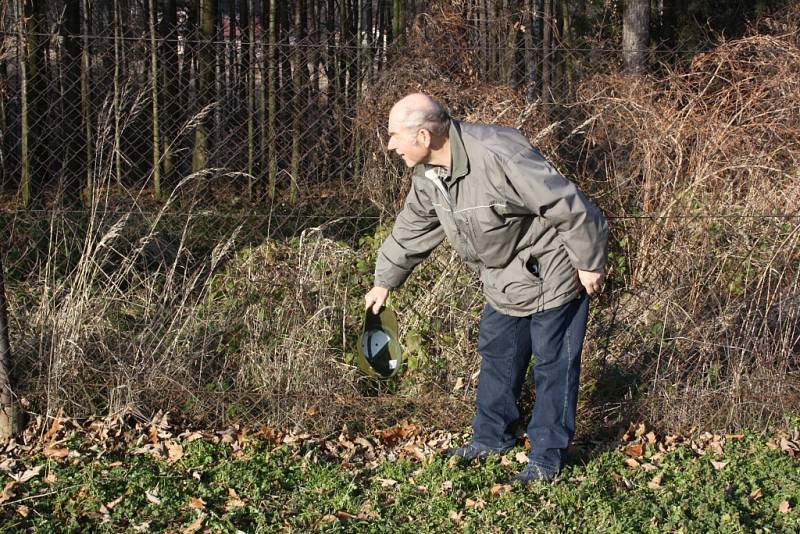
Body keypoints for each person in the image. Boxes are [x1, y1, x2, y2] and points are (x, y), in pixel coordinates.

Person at [364, 93, 608, 483]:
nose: (390, 144)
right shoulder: (429, 175)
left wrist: (589, 261)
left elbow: (566, 203)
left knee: (553, 364)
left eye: (394, 135)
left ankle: (547, 456)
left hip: (552, 268)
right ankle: (491, 437)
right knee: (498, 355)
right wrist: (384, 280)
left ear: (424, 136)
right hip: (502, 277)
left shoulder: (499, 153)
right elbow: (414, 226)